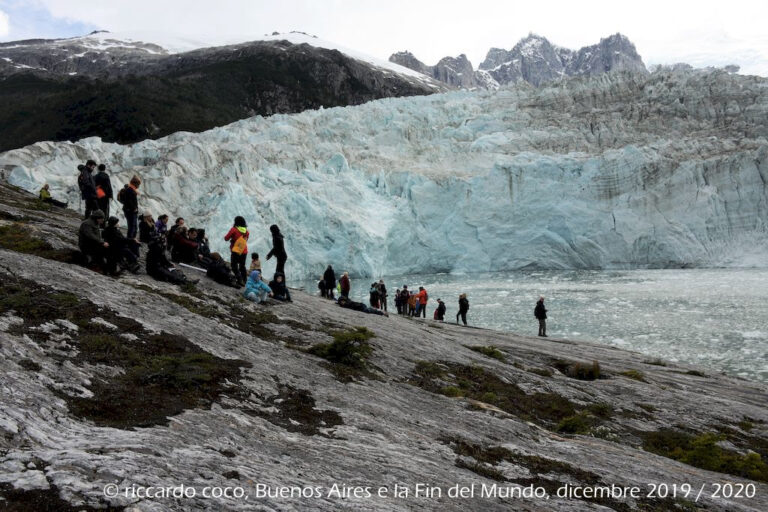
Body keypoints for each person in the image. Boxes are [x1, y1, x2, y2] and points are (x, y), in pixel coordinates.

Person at [78, 209, 118, 275]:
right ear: (97, 218)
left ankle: (110, 270)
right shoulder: (87, 224)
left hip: (93, 245)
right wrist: (102, 242)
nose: (103, 220)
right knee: (105, 251)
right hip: (87, 246)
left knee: (111, 250)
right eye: (102, 219)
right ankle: (108, 270)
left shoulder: (95, 223)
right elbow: (90, 236)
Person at [224, 216, 249, 286]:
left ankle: (240, 279)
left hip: (236, 251)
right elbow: (245, 240)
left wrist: (233, 239)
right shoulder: (246, 231)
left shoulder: (234, 229)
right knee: (242, 266)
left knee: (234, 266)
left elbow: (226, 238)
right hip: (244, 251)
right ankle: (244, 280)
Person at [117, 175, 141, 239]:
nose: (139, 186)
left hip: (129, 210)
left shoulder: (131, 189)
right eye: (138, 184)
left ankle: (132, 239)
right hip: (130, 211)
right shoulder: (130, 190)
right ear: (135, 183)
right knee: (132, 226)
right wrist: (134, 208)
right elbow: (129, 201)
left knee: (133, 226)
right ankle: (130, 240)